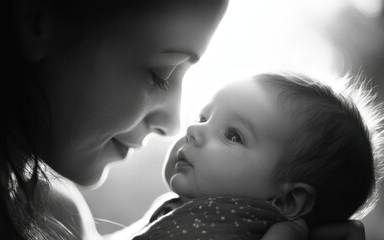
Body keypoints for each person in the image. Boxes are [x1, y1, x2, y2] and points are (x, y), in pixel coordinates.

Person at [0, 0, 367, 239]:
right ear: (38, 20)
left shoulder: (62, 215)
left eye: (234, 134)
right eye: (161, 73)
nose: (176, 125)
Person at [125, 72, 383, 240]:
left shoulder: (275, 234)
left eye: (233, 135)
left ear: (287, 200)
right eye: (202, 118)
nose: (194, 130)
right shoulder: (171, 206)